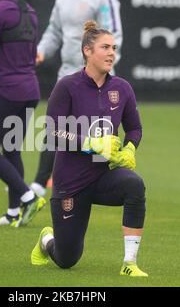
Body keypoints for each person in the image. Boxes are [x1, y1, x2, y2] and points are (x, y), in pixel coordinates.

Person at [30, 21, 148, 277]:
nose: (111, 53)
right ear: (87, 51)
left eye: (113, 48)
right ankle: (47, 240)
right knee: (67, 259)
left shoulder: (122, 88)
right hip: (71, 182)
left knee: (135, 186)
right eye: (105, 47)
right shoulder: (67, 86)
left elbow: (135, 129)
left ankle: (129, 263)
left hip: (104, 176)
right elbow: (52, 132)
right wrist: (90, 143)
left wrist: (129, 149)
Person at [30, 0, 123, 198]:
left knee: (98, 130)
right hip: (67, 73)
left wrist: (102, 68)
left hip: (96, 77)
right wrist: (42, 51)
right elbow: (54, 31)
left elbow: (114, 35)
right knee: (56, 127)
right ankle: (38, 185)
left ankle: (100, 182)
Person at [0, 0, 46, 227]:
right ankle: (13, 213)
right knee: (12, 150)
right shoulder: (31, 11)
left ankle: (28, 197)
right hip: (30, 91)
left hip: (6, 91)